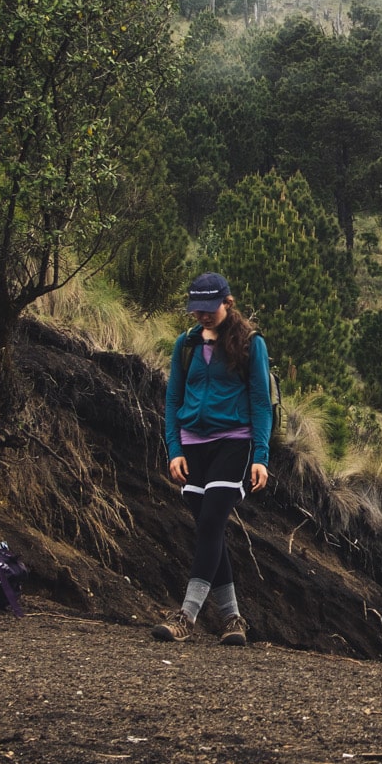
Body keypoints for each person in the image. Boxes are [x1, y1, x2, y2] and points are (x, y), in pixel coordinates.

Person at [155, 272, 272, 645]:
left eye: (210, 309)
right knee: (211, 531)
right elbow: (173, 400)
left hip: (233, 443)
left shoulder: (251, 344)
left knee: (209, 525)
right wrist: (174, 449)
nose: (203, 316)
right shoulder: (185, 344)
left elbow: (260, 403)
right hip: (192, 446)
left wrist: (261, 456)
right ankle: (233, 619)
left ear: (228, 302)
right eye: (197, 310)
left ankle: (185, 618)